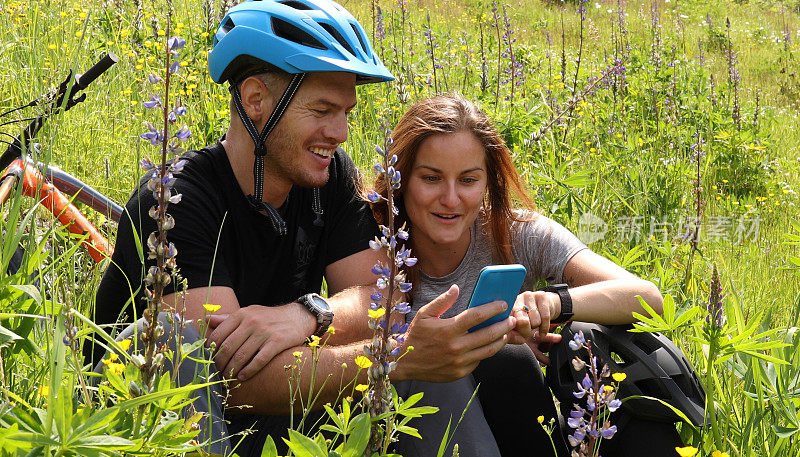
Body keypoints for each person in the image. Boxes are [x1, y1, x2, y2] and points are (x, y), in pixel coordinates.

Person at [94, 2, 521, 456]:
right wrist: (392, 358)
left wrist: (308, 314)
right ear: (256, 100)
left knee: (425, 355)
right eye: (322, 110)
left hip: (282, 418)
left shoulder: (329, 175)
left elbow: (384, 302)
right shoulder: (176, 199)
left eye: (346, 113)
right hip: (149, 425)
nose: (339, 131)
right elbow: (227, 378)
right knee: (181, 341)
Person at [371, 94, 686, 456]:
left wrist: (553, 303)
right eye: (431, 178)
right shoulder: (378, 245)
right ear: (401, 179)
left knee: (582, 337)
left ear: (488, 182)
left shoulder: (518, 232)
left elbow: (647, 298)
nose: (451, 198)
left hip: (519, 419)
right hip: (411, 428)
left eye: (468, 180)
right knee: (505, 359)